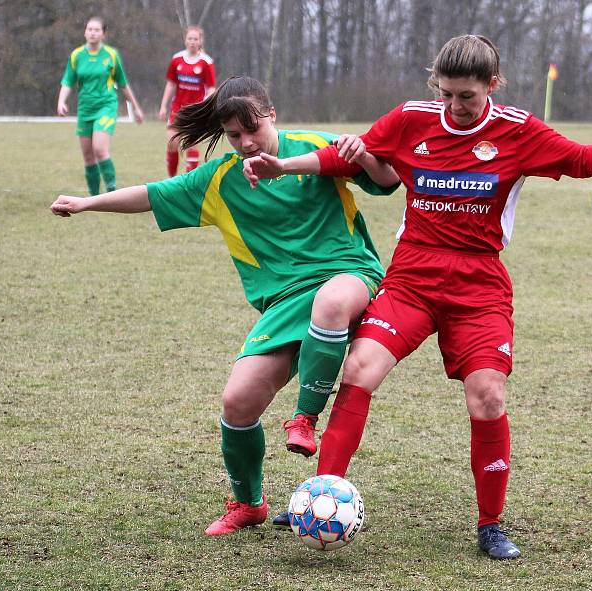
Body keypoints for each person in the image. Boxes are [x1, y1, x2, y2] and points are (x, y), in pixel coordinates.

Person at [244, 35, 592, 560]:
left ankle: (490, 523)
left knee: (487, 395)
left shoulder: (517, 130)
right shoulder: (412, 118)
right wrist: (283, 166)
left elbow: (581, 159)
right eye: (445, 93)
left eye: (466, 95)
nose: (454, 106)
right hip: (412, 277)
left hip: (479, 285)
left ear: (492, 85)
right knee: (360, 369)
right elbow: (351, 158)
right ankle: (321, 493)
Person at [50, 76, 399, 536]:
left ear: (271, 114)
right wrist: (86, 202)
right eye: (234, 135)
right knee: (238, 401)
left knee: (331, 301)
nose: (246, 142)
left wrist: (365, 155)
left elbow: (387, 180)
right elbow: (152, 195)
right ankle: (248, 503)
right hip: (285, 302)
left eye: (253, 129)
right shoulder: (219, 181)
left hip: (348, 275)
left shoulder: (315, 146)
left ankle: (304, 419)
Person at [57, 16, 145, 196]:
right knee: (88, 156)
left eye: (97, 30)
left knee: (99, 149)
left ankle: (112, 192)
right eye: (89, 29)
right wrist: (61, 101)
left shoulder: (111, 55)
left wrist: (136, 107)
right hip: (85, 109)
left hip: (106, 107)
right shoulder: (77, 55)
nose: (92, 33)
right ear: (85, 32)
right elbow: (68, 81)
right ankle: (94, 197)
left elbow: (123, 83)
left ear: (103, 34)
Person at [158, 26, 217, 176]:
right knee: (172, 143)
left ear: (200, 41)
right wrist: (163, 106)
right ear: (185, 40)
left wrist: (207, 104)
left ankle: (189, 183)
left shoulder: (206, 62)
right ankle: (172, 180)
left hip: (196, 111)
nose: (192, 42)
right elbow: (171, 84)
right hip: (177, 109)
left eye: (195, 39)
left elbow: (211, 88)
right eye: (190, 38)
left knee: (192, 146)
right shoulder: (176, 59)